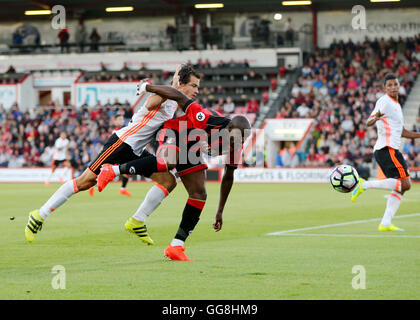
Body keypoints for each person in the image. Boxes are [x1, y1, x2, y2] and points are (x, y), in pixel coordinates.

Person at [24, 65, 198, 244]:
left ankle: (137, 221)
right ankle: (39, 215)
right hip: (121, 143)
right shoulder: (166, 95)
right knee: (85, 181)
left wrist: (178, 76)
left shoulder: (175, 100)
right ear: (182, 85)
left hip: (135, 150)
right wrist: (174, 85)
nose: (196, 90)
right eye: (193, 86)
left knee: (168, 181)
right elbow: (150, 103)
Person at [97, 82, 251, 261]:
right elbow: (179, 96)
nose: (238, 142)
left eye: (243, 139)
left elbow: (228, 177)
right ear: (229, 129)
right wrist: (149, 87)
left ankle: (176, 246)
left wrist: (220, 210)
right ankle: (113, 170)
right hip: (176, 131)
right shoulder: (206, 118)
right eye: (236, 138)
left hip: (191, 149)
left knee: (199, 194)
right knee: (168, 161)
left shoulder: (236, 146)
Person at [351, 73, 420, 231]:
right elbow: (369, 121)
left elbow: (402, 131)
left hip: (392, 150)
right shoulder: (385, 101)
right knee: (405, 184)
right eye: (390, 85)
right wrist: (376, 117)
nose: (393, 87)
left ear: (399, 85)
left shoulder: (396, 105)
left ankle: (386, 223)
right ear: (385, 88)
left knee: (402, 187)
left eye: (395, 84)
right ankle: (364, 185)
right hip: (386, 149)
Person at [88, 115, 132, 197]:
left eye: (122, 119)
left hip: (121, 155)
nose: (121, 121)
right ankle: (92, 186)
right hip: (114, 156)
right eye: (119, 119)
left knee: (127, 170)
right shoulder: (115, 132)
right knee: (104, 173)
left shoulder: (124, 130)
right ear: (115, 121)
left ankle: (123, 189)